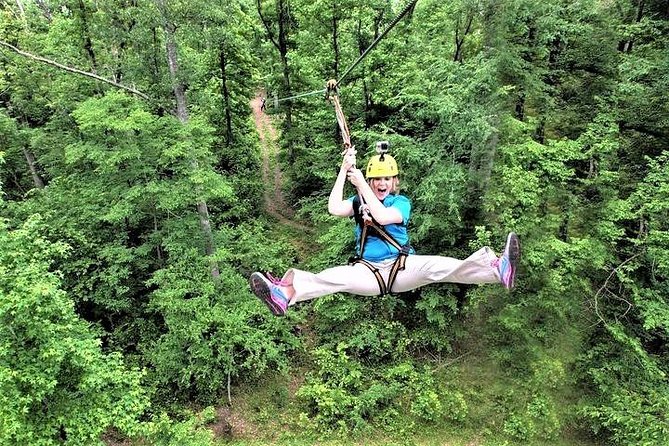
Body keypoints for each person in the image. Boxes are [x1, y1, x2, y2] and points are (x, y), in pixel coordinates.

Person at [249, 145, 521, 316]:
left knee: (439, 267)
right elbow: (333, 207)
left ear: (394, 181)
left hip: (402, 267)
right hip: (367, 271)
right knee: (330, 277)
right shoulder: (358, 201)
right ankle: (283, 294)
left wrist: (361, 185)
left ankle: (498, 269)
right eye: (376, 178)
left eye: (386, 179)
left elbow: (381, 215)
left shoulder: (401, 203)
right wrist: (344, 171)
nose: (381, 183)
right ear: (371, 180)